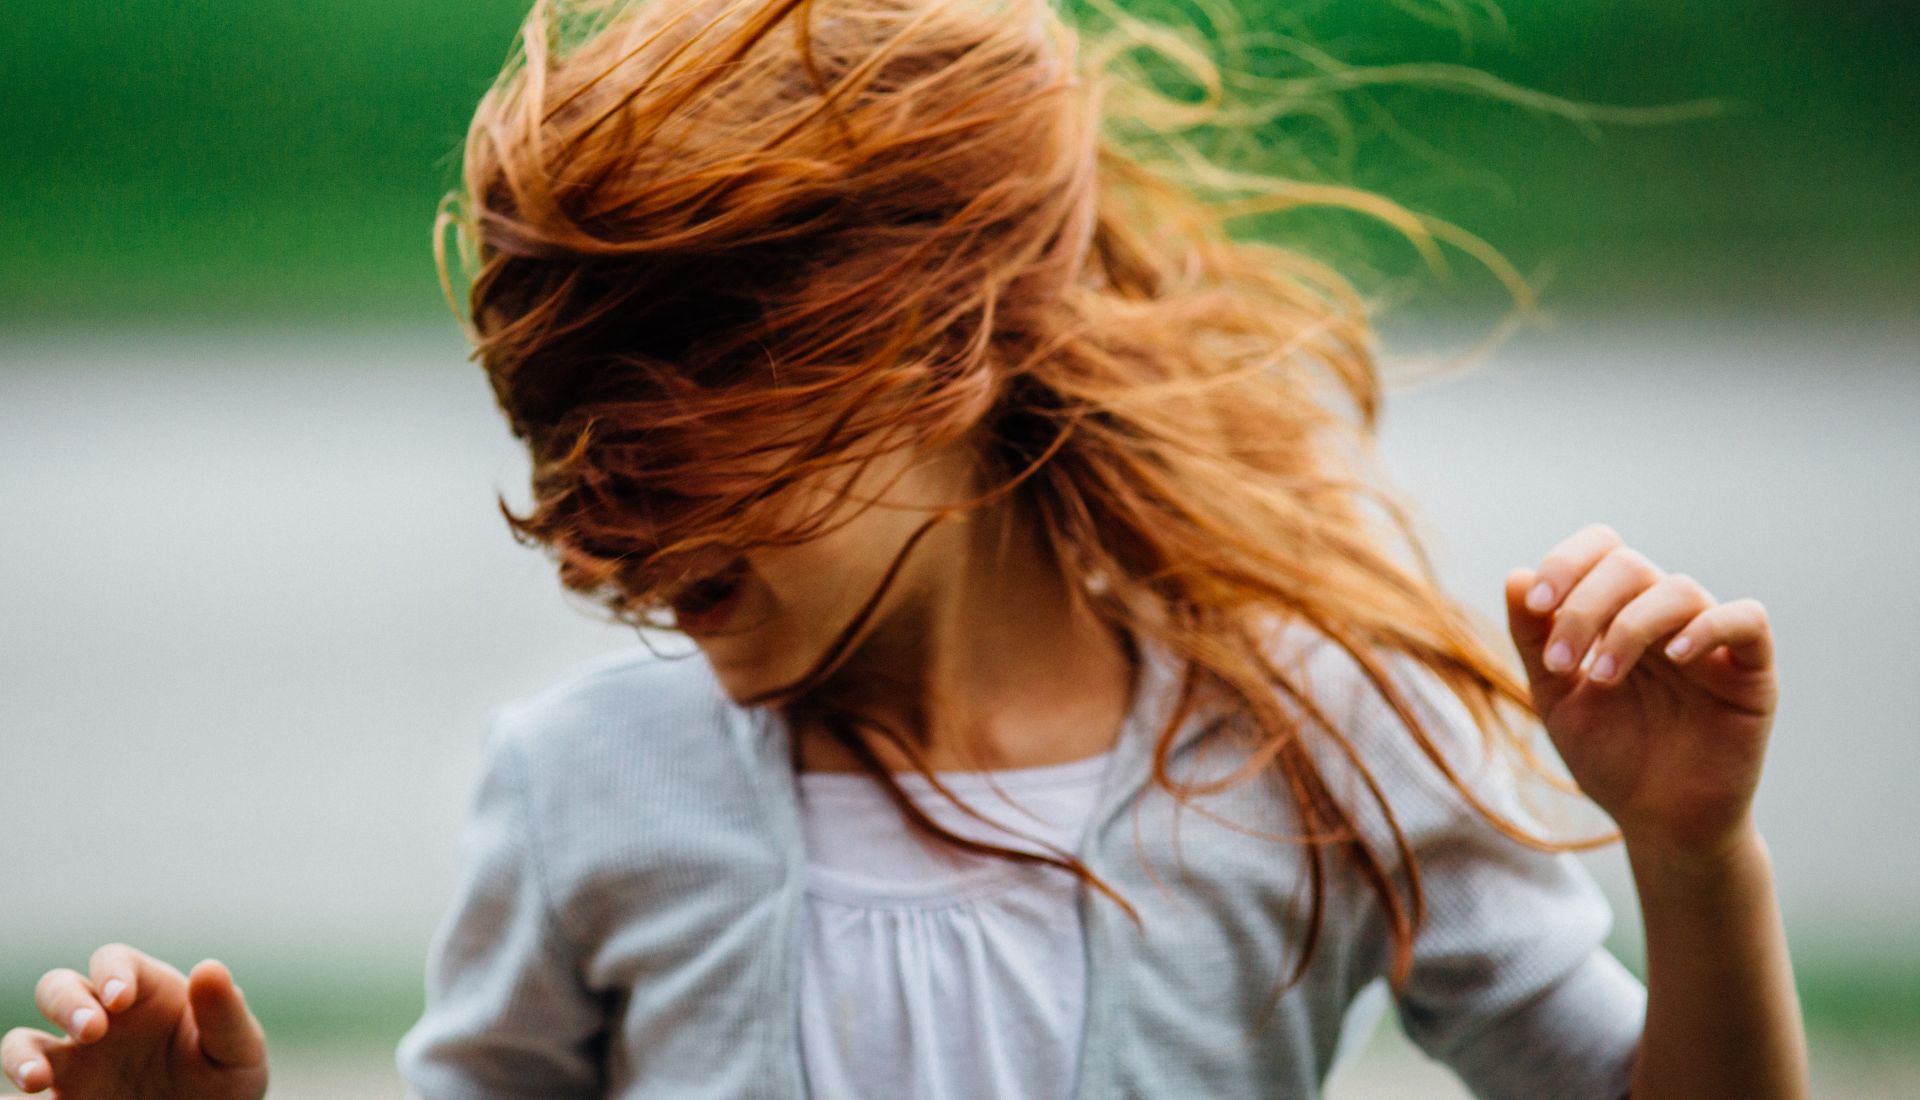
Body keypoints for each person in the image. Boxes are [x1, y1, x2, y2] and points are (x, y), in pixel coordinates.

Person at [1, 0, 1810, 1096]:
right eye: (561, 441)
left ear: (958, 350)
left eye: (675, 433)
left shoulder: (1315, 746)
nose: (595, 530)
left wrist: (1691, 849)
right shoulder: (576, 796)